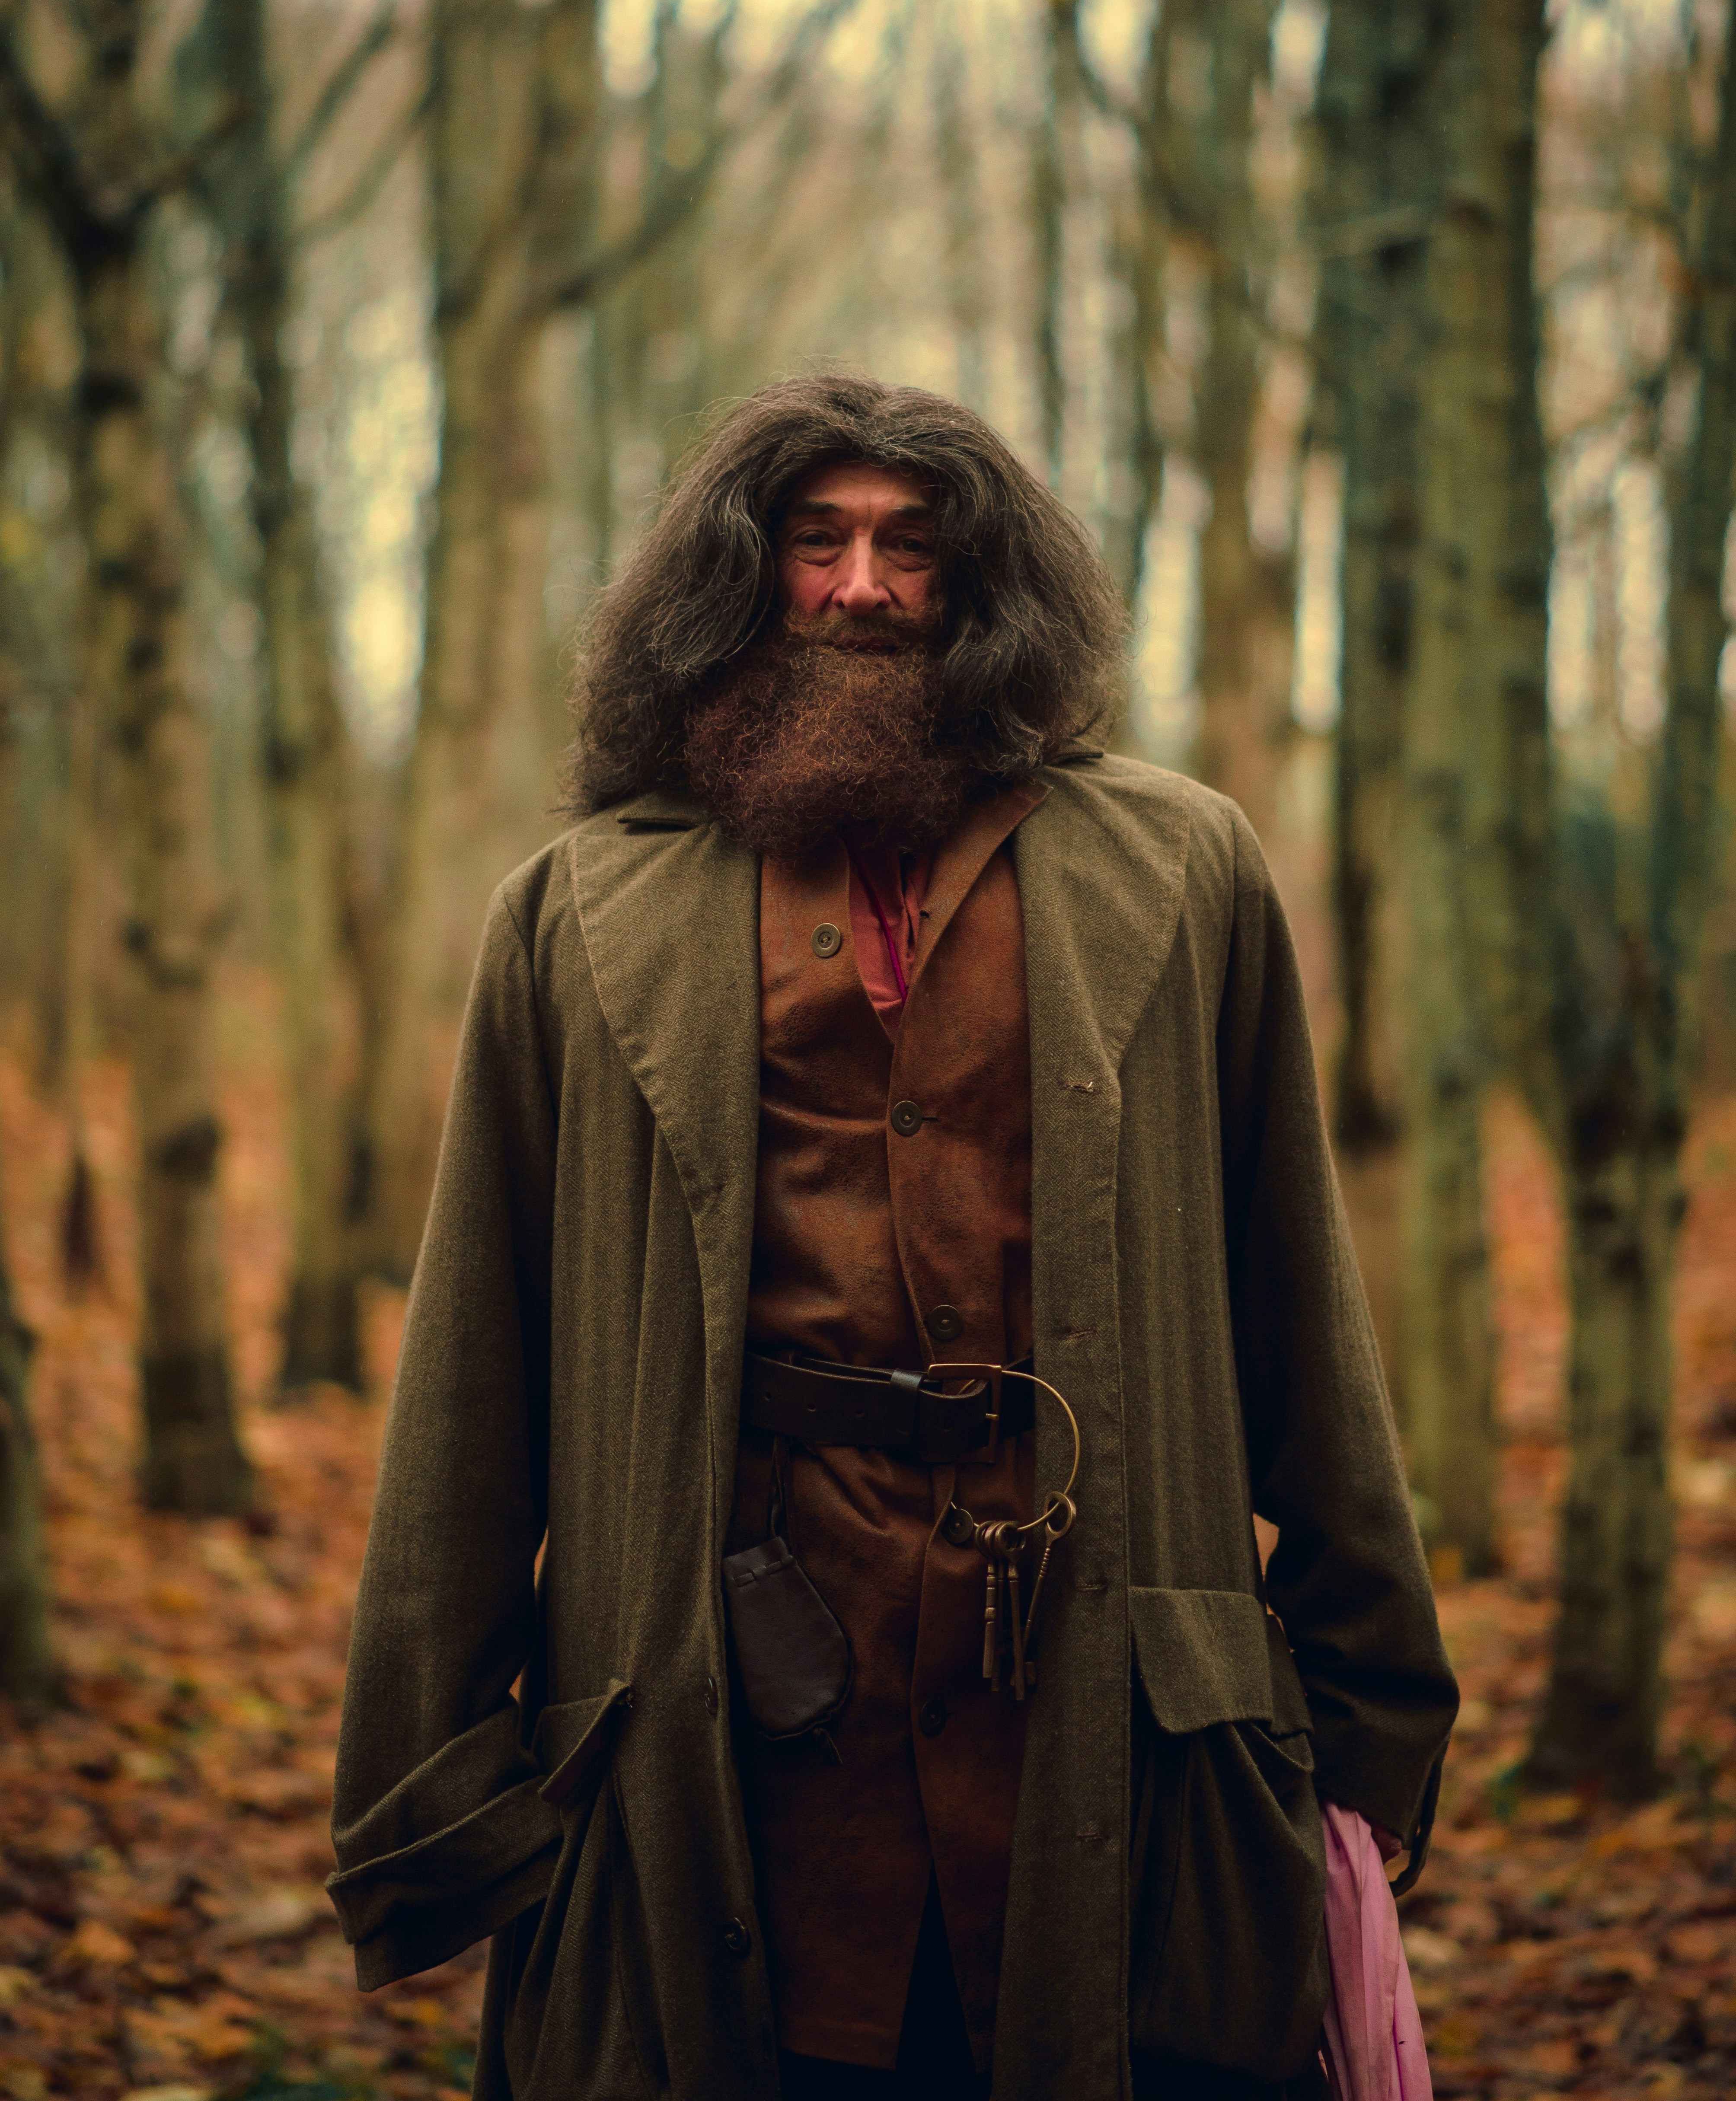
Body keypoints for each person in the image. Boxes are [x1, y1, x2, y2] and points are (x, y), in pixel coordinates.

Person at [327, 376, 1457, 2101]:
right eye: (817, 540)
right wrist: (436, 1780)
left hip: (1104, 1712)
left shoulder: (1181, 868)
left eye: (911, 547)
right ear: (741, 573)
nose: (862, 583)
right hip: (721, 1718)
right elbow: (473, 1371)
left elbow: (1295, 1304)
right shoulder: (574, 910)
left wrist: (1370, 1712)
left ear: (980, 584)